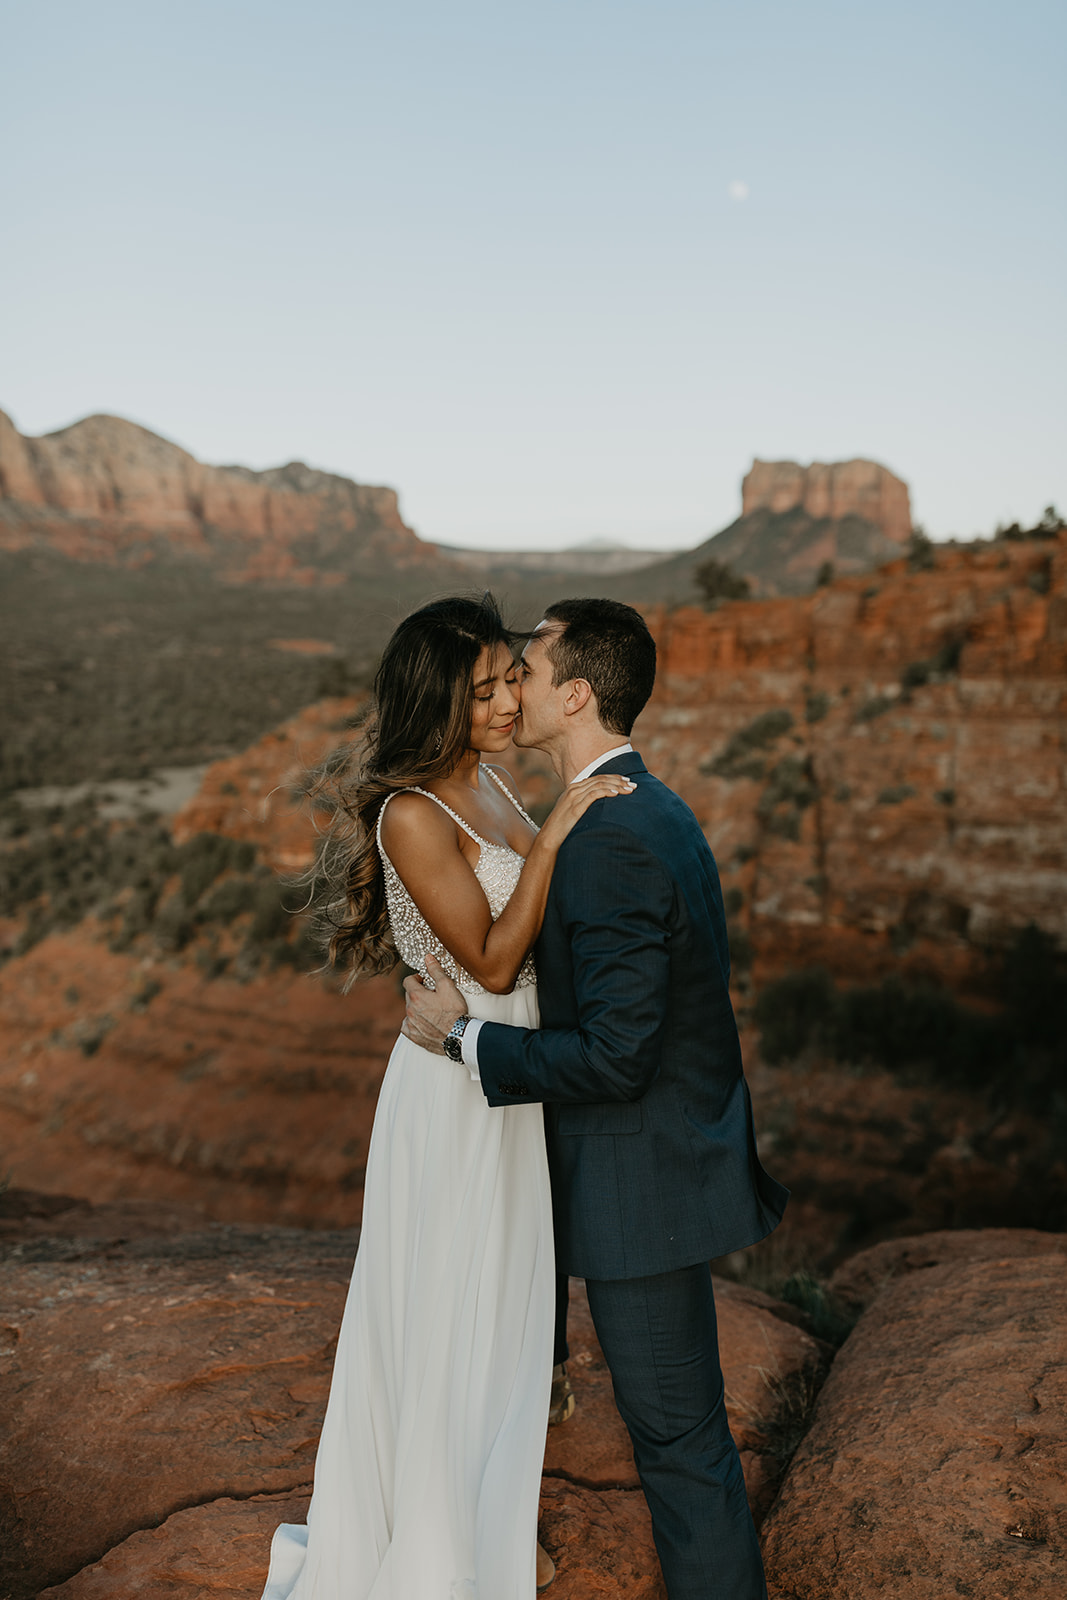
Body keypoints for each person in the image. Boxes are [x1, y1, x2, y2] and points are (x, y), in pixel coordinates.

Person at [403, 597, 789, 1600]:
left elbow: (617, 1057)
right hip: (655, 1163)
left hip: (639, 1184)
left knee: (678, 1443)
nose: (510, 688)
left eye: (524, 669)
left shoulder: (608, 833)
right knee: (679, 1432)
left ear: (574, 692)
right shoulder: (641, 802)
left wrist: (461, 1038)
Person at [260, 593, 635, 1600]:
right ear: (436, 705)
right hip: (453, 1097)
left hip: (507, 1077)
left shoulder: (495, 789)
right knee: (449, 1309)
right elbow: (497, 963)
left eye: (511, 675)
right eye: (482, 693)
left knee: (506, 1305)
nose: (508, 702)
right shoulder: (414, 812)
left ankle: (485, 1517)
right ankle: (433, 1549)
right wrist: (556, 835)